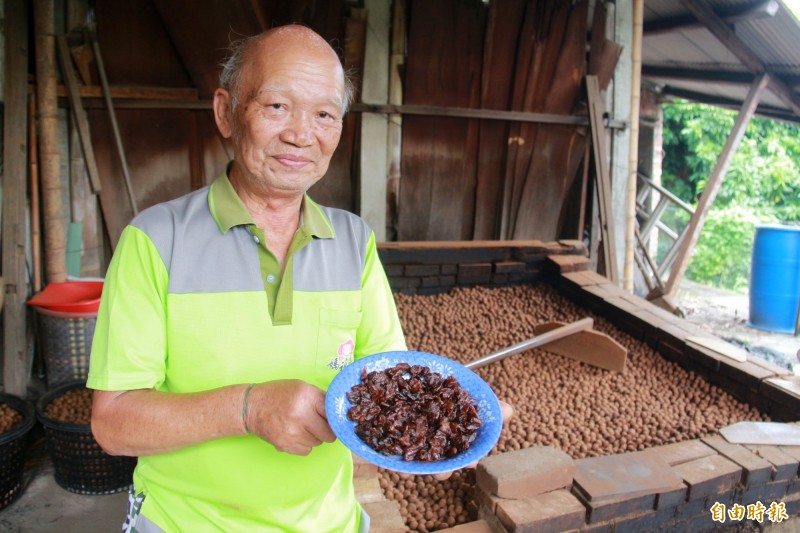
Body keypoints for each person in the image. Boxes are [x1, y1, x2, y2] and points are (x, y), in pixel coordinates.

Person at [87, 25, 407, 532]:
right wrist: (248, 408)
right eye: (277, 107)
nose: (302, 134)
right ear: (226, 112)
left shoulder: (354, 243)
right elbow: (113, 422)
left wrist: (445, 409)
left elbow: (386, 381)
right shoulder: (155, 240)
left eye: (324, 114)